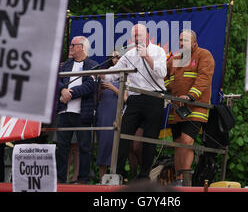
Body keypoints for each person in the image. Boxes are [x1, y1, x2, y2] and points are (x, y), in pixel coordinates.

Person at [104, 24, 167, 181]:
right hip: (134, 99)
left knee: (149, 138)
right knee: (123, 134)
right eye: (134, 36)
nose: (137, 38)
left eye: (140, 35)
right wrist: (101, 75)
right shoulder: (129, 54)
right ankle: (117, 173)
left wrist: (146, 56)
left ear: (147, 36)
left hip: (154, 98)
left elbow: (162, 72)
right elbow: (115, 72)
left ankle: (144, 175)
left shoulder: (158, 51)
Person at [165, 29, 215, 186]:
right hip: (176, 108)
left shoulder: (203, 54)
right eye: (180, 40)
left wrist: (190, 96)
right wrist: (169, 93)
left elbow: (204, 78)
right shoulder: (175, 58)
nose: (182, 43)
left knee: (186, 141)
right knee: (178, 142)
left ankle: (184, 179)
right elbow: (165, 78)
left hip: (195, 107)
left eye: (185, 40)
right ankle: (178, 179)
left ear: (194, 41)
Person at [56, 36, 98, 184]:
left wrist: (70, 93)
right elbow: (57, 81)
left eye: (73, 45)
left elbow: (90, 86)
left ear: (82, 47)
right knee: (62, 147)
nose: (71, 48)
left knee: (85, 147)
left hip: (82, 113)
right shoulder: (65, 65)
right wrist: (62, 91)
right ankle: (60, 179)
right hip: (64, 112)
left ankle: (84, 179)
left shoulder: (93, 65)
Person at [96, 51, 128, 180]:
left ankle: (115, 177)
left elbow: (126, 98)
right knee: (103, 144)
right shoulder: (106, 74)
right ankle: (101, 178)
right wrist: (101, 89)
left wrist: (112, 88)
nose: (116, 59)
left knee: (114, 144)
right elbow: (97, 99)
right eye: (113, 57)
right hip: (103, 113)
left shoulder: (127, 75)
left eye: (119, 57)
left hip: (117, 114)